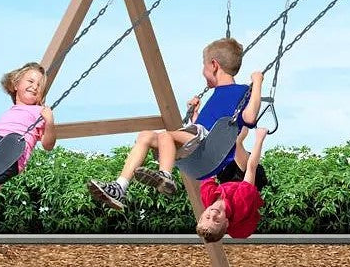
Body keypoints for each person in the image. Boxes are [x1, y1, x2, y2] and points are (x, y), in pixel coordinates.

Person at [87, 38, 261, 211]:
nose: (202, 71)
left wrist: (257, 83)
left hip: (210, 149)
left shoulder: (242, 92)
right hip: (199, 145)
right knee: (145, 135)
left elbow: (250, 117)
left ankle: (165, 176)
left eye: (204, 65)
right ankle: (120, 187)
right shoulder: (217, 94)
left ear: (214, 65)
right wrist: (195, 114)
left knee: (165, 135)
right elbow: (202, 129)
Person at [196, 125, 269, 242]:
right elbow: (252, 168)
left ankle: (235, 139)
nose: (213, 214)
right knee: (239, 153)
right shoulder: (240, 204)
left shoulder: (207, 198)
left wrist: (197, 121)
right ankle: (238, 140)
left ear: (202, 215)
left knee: (219, 160)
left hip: (228, 182)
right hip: (254, 180)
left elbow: (209, 169)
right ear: (226, 223)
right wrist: (260, 137)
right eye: (216, 220)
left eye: (208, 217)